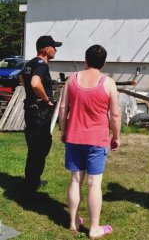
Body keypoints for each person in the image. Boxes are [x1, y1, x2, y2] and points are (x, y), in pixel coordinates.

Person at [59, 44, 121, 240]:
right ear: (104, 62)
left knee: (75, 180)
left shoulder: (72, 79)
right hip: (97, 140)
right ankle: (94, 228)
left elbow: (62, 108)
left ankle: (73, 222)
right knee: (94, 184)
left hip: (74, 137)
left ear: (85, 59)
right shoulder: (108, 82)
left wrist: (63, 131)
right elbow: (115, 114)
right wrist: (116, 136)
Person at [21, 35, 62, 197]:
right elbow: (35, 83)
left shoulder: (30, 63)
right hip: (39, 112)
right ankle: (31, 186)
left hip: (30, 110)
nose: (56, 50)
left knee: (34, 147)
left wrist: (32, 96)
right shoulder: (42, 65)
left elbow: (22, 78)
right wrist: (46, 100)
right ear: (46, 49)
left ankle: (31, 181)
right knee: (41, 146)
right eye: (54, 47)